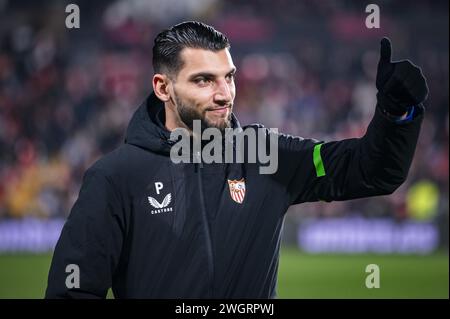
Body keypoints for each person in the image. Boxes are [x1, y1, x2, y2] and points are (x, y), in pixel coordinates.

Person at [45, 21, 428, 298]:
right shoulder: (116, 176)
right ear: (163, 87)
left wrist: (395, 116)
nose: (224, 93)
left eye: (229, 77)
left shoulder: (268, 157)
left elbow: (369, 170)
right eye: (204, 80)